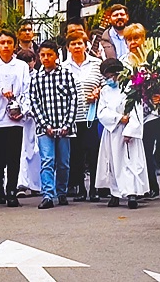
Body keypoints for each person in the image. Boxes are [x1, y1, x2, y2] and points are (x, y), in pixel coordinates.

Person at [0, 30, 30, 207]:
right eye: (2, 43)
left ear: (14, 45)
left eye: (9, 43)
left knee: (13, 156)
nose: (6, 46)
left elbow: (27, 91)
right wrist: (0, 92)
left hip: (15, 118)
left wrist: (22, 110)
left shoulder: (21, 67)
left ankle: (11, 190)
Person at [122, 23, 160, 200]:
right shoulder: (124, 61)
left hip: (155, 111)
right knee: (142, 149)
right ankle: (146, 186)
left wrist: (159, 93)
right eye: (130, 39)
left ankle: (153, 178)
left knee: (154, 146)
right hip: (137, 112)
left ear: (144, 38)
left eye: (137, 38)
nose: (133, 42)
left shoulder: (155, 56)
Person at [95, 58, 148, 209]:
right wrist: (118, 118)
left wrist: (130, 129)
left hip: (128, 132)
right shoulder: (105, 90)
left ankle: (132, 193)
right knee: (113, 162)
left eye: (110, 75)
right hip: (113, 131)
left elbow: (137, 110)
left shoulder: (131, 88)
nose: (108, 79)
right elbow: (102, 111)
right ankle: (115, 193)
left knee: (130, 163)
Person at [31, 40, 78, 210]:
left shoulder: (66, 74)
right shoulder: (36, 77)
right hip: (45, 128)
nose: (46, 58)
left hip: (64, 126)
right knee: (47, 160)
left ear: (56, 56)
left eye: (49, 55)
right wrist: (45, 125)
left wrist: (67, 123)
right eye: (42, 55)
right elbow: (34, 102)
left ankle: (61, 191)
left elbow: (73, 99)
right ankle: (48, 194)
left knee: (64, 162)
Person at [61, 31, 103, 202]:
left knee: (94, 153)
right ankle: (79, 187)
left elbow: (105, 83)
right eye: (73, 44)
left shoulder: (96, 64)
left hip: (92, 116)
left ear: (86, 45)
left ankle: (95, 188)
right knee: (76, 154)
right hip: (72, 117)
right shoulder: (63, 67)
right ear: (68, 47)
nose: (77, 46)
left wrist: (99, 92)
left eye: (80, 43)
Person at [15, 49, 41, 195]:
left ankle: (35, 184)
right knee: (20, 151)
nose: (27, 64)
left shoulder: (38, 77)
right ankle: (21, 183)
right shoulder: (17, 76)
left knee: (34, 151)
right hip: (18, 120)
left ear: (34, 61)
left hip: (34, 119)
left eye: (30, 61)